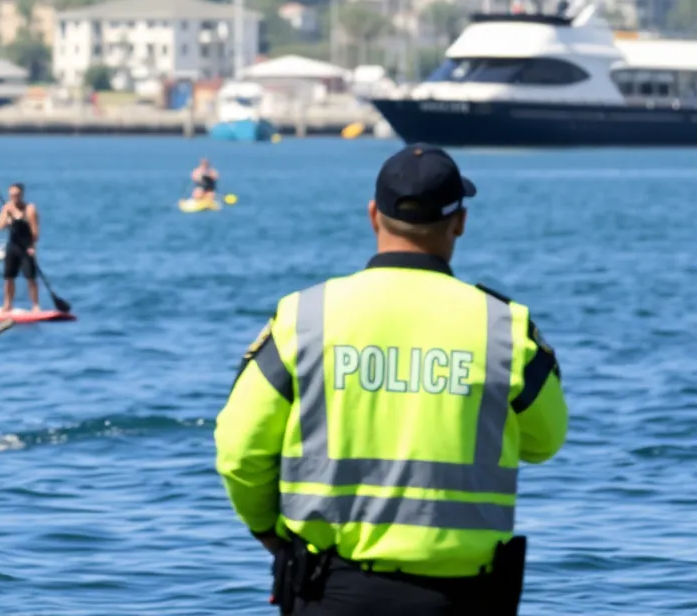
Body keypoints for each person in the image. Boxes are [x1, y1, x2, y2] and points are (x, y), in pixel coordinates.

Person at [215, 144, 568, 616]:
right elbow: (545, 442)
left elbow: (240, 448)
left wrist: (268, 533)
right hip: (461, 598)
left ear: (373, 216)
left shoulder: (305, 316)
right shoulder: (503, 327)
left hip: (329, 589)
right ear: (460, 221)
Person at [0, 182, 40, 312]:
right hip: (13, 246)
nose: (15, 198)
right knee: (8, 277)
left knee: (30, 277)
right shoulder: (7, 208)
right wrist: (7, 220)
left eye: (17, 195)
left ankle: (35, 305)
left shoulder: (30, 208)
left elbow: (35, 232)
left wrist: (32, 246)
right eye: (12, 195)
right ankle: (7, 304)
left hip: (27, 247)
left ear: (22, 195)